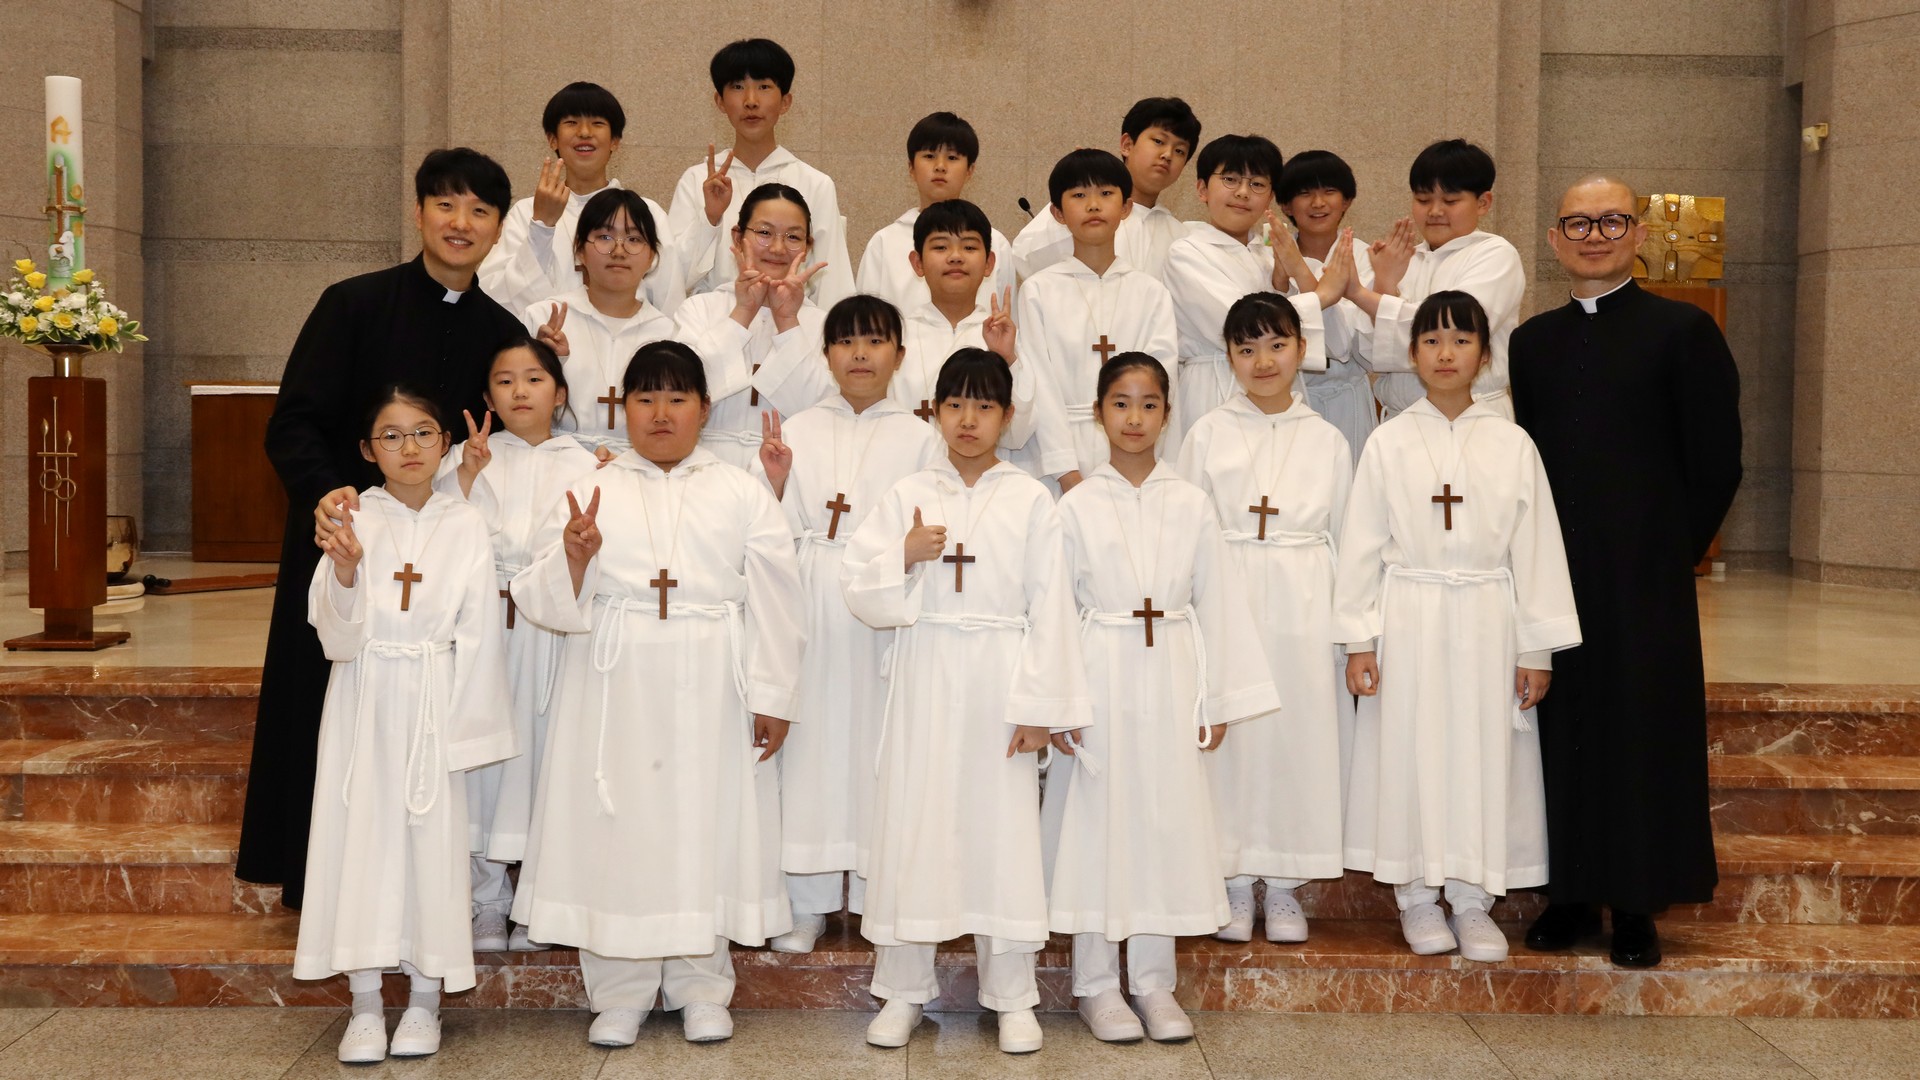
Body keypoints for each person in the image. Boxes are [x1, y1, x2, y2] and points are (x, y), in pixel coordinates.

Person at [240, 148, 526, 911]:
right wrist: (326, 495)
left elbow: (505, 437)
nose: (461, 223)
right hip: (347, 542)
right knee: (321, 704)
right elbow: (293, 421)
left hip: (440, 559)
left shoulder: (501, 331)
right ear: (419, 212)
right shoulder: (352, 304)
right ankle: (320, 879)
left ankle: (430, 886)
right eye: (446, 205)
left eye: (480, 210)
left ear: (499, 227)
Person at [507, 340, 806, 1047]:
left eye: (677, 398)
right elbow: (537, 595)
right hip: (616, 681)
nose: (661, 413)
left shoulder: (739, 489)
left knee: (705, 823)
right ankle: (619, 990)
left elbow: (778, 597)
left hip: (714, 677)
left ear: (704, 408)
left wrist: (773, 694)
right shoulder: (593, 487)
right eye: (645, 398)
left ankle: (702, 987)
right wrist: (574, 557)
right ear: (624, 408)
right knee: (618, 827)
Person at [1510, 175, 1743, 968]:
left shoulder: (1683, 331)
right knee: (1563, 728)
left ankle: (1637, 904)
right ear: (1555, 240)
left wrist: (1669, 553)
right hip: (1554, 569)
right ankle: (1569, 894)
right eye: (1578, 223)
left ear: (1638, 234)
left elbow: (1717, 460)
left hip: (1645, 575)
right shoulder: (1532, 343)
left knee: (1641, 731)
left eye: (1611, 221)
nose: (1595, 235)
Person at [840, 348, 1091, 1056]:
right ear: (936, 412)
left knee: (1002, 834)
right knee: (916, 826)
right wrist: (904, 554)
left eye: (984, 406)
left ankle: (1012, 995)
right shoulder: (908, 493)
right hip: (927, 671)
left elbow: (1051, 604)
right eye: (955, 405)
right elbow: (857, 584)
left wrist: (1039, 706)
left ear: (1007, 416)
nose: (968, 420)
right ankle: (903, 990)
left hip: (1000, 680)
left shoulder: (1029, 498)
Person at [1335, 291, 1581, 964]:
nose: (1446, 354)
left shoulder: (1511, 442)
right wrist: (1359, 639)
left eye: (1461, 340)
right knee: (1408, 747)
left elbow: (1536, 546)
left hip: (1486, 614)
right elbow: (1361, 544)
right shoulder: (1388, 440)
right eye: (1432, 340)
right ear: (1412, 354)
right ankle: (1415, 895)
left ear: (1484, 353)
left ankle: (1473, 898)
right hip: (1408, 614)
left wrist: (1536, 647)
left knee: (1482, 750)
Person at [1048, 353, 1277, 1044]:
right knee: (1098, 823)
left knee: (1163, 821)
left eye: (1149, 404)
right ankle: (1095, 984)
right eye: (1120, 403)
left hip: (1174, 673)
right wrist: (1060, 701)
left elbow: (1220, 602)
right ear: (1098, 414)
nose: (1135, 418)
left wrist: (1218, 699)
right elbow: (1053, 611)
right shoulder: (1076, 505)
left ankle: (1153, 981)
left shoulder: (1191, 502)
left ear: (1167, 414)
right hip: (1101, 673)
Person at [295, 386, 514, 1065]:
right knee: (358, 839)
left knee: (432, 845)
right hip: (364, 695)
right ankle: (364, 1004)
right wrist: (346, 573)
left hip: (435, 695)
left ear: (445, 443)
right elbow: (334, 636)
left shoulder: (464, 522)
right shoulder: (353, 515)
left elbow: (481, 629)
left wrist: (471, 727)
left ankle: (424, 999)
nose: (409, 447)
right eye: (391, 436)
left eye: (423, 433)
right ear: (367, 450)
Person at [750, 296, 942, 953]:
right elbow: (762, 529)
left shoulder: (921, 437)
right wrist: (775, 484)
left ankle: (871, 895)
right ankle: (805, 902)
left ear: (900, 355)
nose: (860, 354)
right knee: (810, 746)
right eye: (846, 342)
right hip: (808, 594)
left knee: (875, 746)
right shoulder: (797, 428)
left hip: (882, 601)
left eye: (875, 341)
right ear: (826, 354)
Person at [1177, 293, 1353, 945]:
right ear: (1228, 356)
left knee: (1295, 737)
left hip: (1304, 601)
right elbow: (1186, 529)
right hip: (1229, 595)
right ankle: (1228, 877)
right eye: (1246, 348)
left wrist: (1350, 631)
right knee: (1234, 739)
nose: (1263, 361)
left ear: (1302, 350)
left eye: (1277, 345)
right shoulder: (1207, 432)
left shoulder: (1326, 439)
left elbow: (1347, 534)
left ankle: (1283, 884)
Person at [434, 338, 599, 953]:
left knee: (543, 755)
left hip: (548, 630)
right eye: (505, 381)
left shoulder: (588, 464)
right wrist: (465, 475)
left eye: (534, 379)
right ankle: (485, 900)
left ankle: (537, 901)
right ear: (487, 397)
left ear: (559, 393)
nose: (520, 391)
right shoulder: (467, 456)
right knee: (481, 755)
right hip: (480, 624)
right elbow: (436, 530)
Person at [1163, 134, 1353, 447]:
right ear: (1202, 189)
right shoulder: (1186, 253)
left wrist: (1291, 275)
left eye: (1257, 184)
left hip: (1279, 389)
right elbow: (1240, 326)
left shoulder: (1270, 254)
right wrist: (1320, 297)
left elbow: (1338, 344)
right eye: (1230, 179)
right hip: (1216, 386)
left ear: (1270, 198)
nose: (1242, 192)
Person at [1017, 149, 1180, 477]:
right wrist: (1066, 472)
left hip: (1134, 455)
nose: (1093, 205)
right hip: (1061, 456)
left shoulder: (1150, 293)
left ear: (1126, 207)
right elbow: (1040, 386)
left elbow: (1161, 382)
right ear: (1058, 213)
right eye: (1079, 195)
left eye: (1105, 194)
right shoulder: (1038, 291)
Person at [1342, 138, 1525, 420]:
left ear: (1483, 203)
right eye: (1423, 200)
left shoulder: (1495, 254)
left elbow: (1454, 330)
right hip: (1401, 417)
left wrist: (1361, 294)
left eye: (1450, 201)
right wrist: (1385, 284)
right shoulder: (1403, 258)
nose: (1435, 211)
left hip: (1471, 413)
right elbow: (1367, 353)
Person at [668, 38, 855, 306]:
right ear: (720, 101)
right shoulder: (697, 180)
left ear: (785, 102)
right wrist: (710, 218)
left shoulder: (816, 184)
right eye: (737, 87)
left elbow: (833, 283)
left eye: (764, 87)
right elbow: (672, 279)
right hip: (715, 323)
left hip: (793, 324)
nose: (751, 101)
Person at [893, 199, 1067, 486]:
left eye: (969, 247)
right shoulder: (897, 337)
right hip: (909, 480)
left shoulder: (1005, 337)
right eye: (940, 247)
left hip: (982, 486)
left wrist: (1007, 360)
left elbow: (1017, 435)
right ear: (917, 263)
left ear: (989, 264)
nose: (955, 257)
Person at [479, 81, 688, 317]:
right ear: (552, 139)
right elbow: (495, 297)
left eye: (597, 123)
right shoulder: (527, 213)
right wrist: (541, 227)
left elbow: (669, 301)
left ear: (615, 141)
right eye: (571, 122)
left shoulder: (646, 213)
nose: (585, 133)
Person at [672, 183, 838, 470]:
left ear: (808, 247)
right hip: (703, 466)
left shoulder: (825, 325)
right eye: (764, 233)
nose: (777, 248)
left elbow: (822, 410)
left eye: (793, 237)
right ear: (738, 237)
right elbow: (680, 393)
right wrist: (743, 313)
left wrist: (788, 323)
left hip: (789, 469)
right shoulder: (699, 309)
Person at [521, 188, 676, 455]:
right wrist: (542, 362)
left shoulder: (668, 334)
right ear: (579, 250)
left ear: (652, 256)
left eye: (634, 239)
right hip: (555, 459)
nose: (619, 251)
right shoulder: (543, 318)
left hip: (638, 464)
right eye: (605, 237)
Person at [1012, 97, 1203, 282]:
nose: (1167, 155)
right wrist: (1079, 187)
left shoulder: (1179, 237)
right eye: (1159, 141)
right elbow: (1025, 256)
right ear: (1127, 145)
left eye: (1180, 151)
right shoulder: (1086, 209)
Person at [855, 111, 1016, 310]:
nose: (940, 166)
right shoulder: (884, 243)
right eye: (929, 156)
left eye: (952, 157)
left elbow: (1007, 318)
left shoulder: (995, 243)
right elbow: (865, 320)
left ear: (970, 170)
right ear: (911, 168)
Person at [1277, 150, 1378, 460]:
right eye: (1305, 193)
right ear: (1285, 205)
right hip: (1292, 394)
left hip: (1348, 395)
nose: (1318, 203)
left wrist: (1300, 272)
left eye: (1329, 191)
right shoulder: (1270, 258)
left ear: (1346, 201)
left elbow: (1348, 344)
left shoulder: (1365, 258)